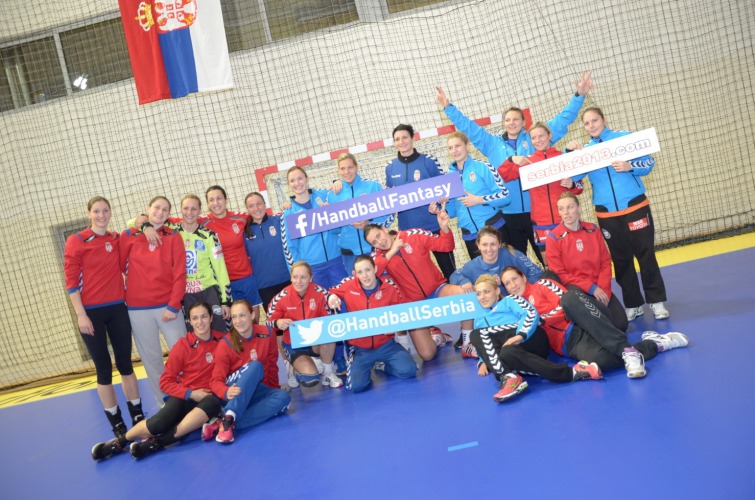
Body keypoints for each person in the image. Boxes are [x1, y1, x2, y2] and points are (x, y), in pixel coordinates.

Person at [436, 71, 593, 265]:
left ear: (523, 122)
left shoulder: (535, 138)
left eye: (516, 119)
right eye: (508, 120)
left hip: (538, 214)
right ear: (503, 123)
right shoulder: (491, 144)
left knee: (551, 261)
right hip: (508, 216)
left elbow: (562, 120)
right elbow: (469, 127)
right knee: (519, 266)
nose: (512, 123)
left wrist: (579, 97)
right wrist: (448, 108)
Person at [568, 107, 670, 321]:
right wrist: (570, 156)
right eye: (587, 123)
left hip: (635, 206)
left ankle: (656, 301)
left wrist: (629, 165)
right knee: (621, 259)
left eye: (594, 120)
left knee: (645, 253)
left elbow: (649, 162)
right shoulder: (586, 152)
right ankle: (633, 304)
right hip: (606, 214)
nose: (591, 125)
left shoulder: (624, 138)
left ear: (603, 119)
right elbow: (575, 180)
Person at [501, 266, 688, 379]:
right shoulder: (514, 310)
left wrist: (541, 319)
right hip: (569, 342)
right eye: (507, 283)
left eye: (514, 279)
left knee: (570, 299)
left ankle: (626, 349)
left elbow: (566, 302)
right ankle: (654, 343)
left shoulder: (541, 286)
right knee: (602, 361)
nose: (513, 285)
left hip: (581, 319)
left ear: (524, 277)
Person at [91, 302, 223, 460]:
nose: (200, 322)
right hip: (186, 396)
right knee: (158, 424)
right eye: (195, 318)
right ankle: (120, 442)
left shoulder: (223, 341)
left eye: (203, 317)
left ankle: (158, 443)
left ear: (211, 318)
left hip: (209, 400)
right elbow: (165, 382)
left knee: (212, 403)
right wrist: (190, 393)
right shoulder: (183, 345)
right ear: (190, 321)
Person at [64, 196, 144, 440]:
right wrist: (81, 315)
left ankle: (138, 415)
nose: (101, 215)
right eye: (97, 211)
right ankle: (116, 421)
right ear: (89, 213)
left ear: (110, 213)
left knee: (126, 364)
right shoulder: (76, 241)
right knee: (103, 369)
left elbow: (137, 223)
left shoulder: (114, 239)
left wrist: (143, 222)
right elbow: (71, 283)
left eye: (105, 210)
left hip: (118, 309)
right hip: (91, 314)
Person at [469, 274, 602, 403]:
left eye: (486, 291)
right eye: (478, 293)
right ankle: (573, 372)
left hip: (533, 338)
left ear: (497, 291)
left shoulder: (510, 300)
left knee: (475, 334)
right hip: (517, 351)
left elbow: (531, 313)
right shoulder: (478, 320)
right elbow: (485, 346)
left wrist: (520, 334)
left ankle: (507, 376)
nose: (482, 297)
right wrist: (483, 361)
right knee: (506, 354)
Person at [365, 208, 466, 361]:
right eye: (374, 242)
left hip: (437, 289)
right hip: (413, 303)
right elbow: (374, 275)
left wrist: (444, 228)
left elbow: (446, 246)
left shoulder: (413, 235)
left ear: (384, 228)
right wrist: (393, 250)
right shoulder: (377, 257)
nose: (379, 241)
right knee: (427, 355)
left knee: (465, 295)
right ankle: (437, 337)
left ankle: (468, 339)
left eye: (378, 235)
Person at [120, 196, 187, 403]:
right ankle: (164, 404)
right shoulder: (128, 235)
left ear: (168, 215)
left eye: (165, 209)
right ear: (147, 209)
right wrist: (143, 225)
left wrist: (174, 305)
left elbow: (180, 274)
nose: (160, 212)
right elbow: (120, 266)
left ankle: (189, 400)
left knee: (183, 356)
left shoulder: (173, 236)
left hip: (168, 308)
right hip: (138, 310)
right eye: (156, 207)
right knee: (152, 360)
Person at [327, 256, 418, 392]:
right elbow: (331, 292)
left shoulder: (390, 287)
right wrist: (331, 298)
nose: (365, 275)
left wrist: (395, 326)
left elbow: (400, 315)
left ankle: (381, 365)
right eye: (360, 272)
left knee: (410, 370)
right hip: (359, 349)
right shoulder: (348, 284)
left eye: (368, 270)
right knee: (356, 387)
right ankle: (364, 369)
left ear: (375, 269)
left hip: (386, 344)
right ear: (355, 274)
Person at [205, 300, 291, 444]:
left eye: (242, 315)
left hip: (256, 390)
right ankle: (230, 414)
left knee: (283, 398)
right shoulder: (225, 344)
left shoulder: (267, 333)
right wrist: (225, 392)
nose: (238, 321)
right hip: (233, 392)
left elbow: (271, 366)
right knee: (255, 366)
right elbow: (215, 381)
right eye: (234, 317)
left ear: (252, 315)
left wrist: (273, 391)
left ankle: (224, 424)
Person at [448, 226, 542, 353]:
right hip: (494, 316)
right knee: (462, 291)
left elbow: (536, 272)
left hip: (518, 307)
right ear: (478, 245)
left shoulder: (512, 255)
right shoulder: (472, 266)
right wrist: (464, 281)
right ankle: (467, 337)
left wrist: (522, 291)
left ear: (499, 244)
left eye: (493, 244)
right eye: (484, 244)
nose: (489, 249)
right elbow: (454, 276)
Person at [497, 122, 584, 259]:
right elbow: (502, 176)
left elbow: (580, 188)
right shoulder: (527, 163)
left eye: (541, 136)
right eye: (534, 138)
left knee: (575, 259)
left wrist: (572, 185)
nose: (538, 141)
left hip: (565, 218)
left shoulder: (563, 157)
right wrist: (511, 159)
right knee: (550, 264)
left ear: (549, 135)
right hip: (541, 222)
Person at [545, 192, 628, 332]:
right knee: (600, 324)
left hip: (598, 287)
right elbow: (560, 274)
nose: (565, 212)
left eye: (570, 207)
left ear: (579, 208)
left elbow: (605, 261)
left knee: (621, 325)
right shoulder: (554, 238)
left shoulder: (593, 229)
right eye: (561, 209)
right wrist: (591, 288)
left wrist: (603, 290)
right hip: (576, 289)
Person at [385, 123, 456, 279]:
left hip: (434, 227)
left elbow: (445, 189)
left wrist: (442, 202)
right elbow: (390, 199)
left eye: (404, 137)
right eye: (397, 139)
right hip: (409, 233)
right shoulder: (390, 168)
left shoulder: (429, 161)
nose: (401, 142)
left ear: (413, 138)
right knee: (421, 277)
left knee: (450, 273)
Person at [266, 261, 344, 388]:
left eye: (303, 277)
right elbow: (268, 322)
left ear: (311, 278)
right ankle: (293, 368)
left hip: (314, 342)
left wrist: (333, 303)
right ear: (291, 278)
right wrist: (277, 322)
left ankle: (328, 373)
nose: (299, 281)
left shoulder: (319, 292)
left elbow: (328, 320)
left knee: (329, 332)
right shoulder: (280, 298)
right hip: (293, 344)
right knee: (310, 380)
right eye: (295, 277)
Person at [432, 131, 509, 259]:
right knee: (483, 278)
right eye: (450, 148)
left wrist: (479, 200)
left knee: (507, 270)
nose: (454, 151)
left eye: (458, 146)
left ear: (467, 146)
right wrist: (441, 209)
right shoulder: (449, 177)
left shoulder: (483, 166)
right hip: (470, 235)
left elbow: (505, 196)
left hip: (493, 229)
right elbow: (454, 210)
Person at [280, 166, 348, 290]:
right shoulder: (289, 212)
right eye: (292, 181)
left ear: (307, 179)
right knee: (320, 306)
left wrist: (339, 182)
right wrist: (297, 272)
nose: (297, 183)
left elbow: (345, 196)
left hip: (337, 260)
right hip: (312, 268)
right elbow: (289, 247)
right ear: (289, 185)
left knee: (344, 301)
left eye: (300, 178)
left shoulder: (325, 196)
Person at [327, 153, 393, 273]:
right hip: (349, 253)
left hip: (375, 248)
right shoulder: (333, 195)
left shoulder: (373, 186)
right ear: (338, 171)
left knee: (384, 285)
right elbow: (333, 229)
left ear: (357, 167)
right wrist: (345, 222)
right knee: (357, 289)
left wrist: (369, 222)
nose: (347, 171)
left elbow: (389, 216)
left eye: (350, 167)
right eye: (342, 168)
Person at [176, 194, 231, 333]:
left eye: (194, 209)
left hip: (209, 291)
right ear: (180, 210)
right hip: (185, 294)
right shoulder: (172, 233)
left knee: (220, 332)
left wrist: (225, 301)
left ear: (200, 210)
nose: (189, 213)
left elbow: (220, 269)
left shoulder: (209, 235)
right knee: (194, 336)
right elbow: (140, 221)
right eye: (186, 208)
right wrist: (146, 226)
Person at [243, 192, 290, 311]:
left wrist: (291, 205)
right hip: (264, 286)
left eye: (259, 203)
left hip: (288, 280)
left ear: (265, 204)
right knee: (277, 325)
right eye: (251, 206)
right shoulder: (244, 231)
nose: (256, 208)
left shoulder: (279, 221)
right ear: (247, 209)